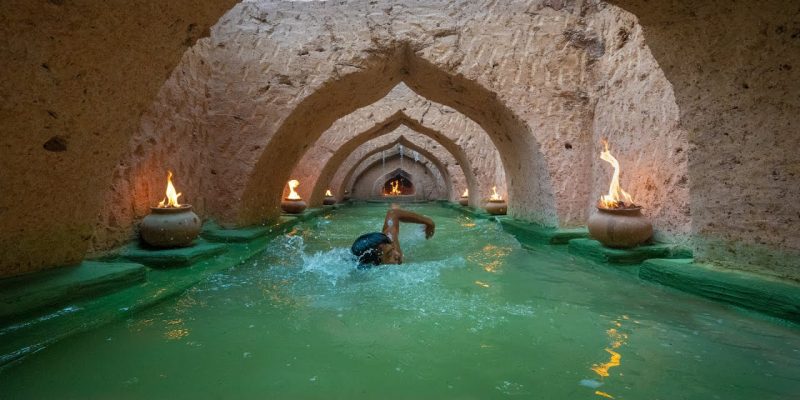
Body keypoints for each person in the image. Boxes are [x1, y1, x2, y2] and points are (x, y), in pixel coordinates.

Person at [351, 205, 435, 268]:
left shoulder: (389, 242)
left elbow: (393, 213)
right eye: (389, 254)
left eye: (393, 249)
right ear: (374, 264)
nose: (398, 254)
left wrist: (430, 223)